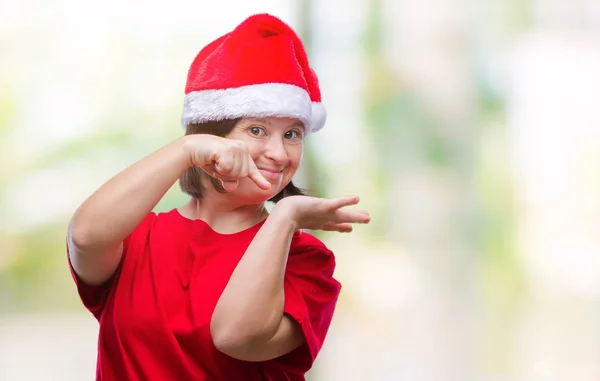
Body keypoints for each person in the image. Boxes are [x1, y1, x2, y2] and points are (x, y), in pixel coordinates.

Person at [66, 13, 370, 381]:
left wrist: (284, 216)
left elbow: (236, 337)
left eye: (292, 134)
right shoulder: (134, 237)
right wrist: (186, 149)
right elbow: (84, 236)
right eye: (257, 130)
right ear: (211, 133)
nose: (279, 153)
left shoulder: (306, 260)